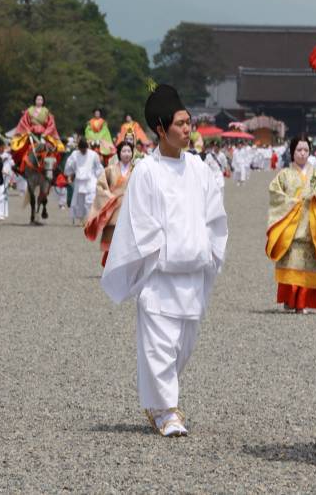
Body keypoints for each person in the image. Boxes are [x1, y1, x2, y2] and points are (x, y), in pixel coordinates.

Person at [100, 84, 228, 437]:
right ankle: (167, 412)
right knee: (158, 346)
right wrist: (169, 250)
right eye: (180, 123)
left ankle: (159, 403)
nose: (188, 130)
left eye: (190, 123)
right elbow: (140, 223)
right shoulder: (146, 172)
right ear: (160, 128)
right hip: (160, 275)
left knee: (181, 348)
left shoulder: (200, 169)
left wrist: (206, 251)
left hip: (194, 274)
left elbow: (215, 216)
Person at [266, 136, 316, 313]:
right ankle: (290, 301)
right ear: (292, 152)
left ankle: (303, 303)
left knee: (307, 267)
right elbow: (275, 194)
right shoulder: (284, 175)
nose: (303, 153)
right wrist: (293, 203)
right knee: (292, 265)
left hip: (311, 230)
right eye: (299, 150)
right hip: (292, 231)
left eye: (306, 150)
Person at [84, 140, 135, 267]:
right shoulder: (110, 170)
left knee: (128, 238)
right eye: (124, 151)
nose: (127, 154)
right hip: (113, 208)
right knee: (112, 239)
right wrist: (109, 197)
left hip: (130, 208)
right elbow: (100, 186)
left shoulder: (137, 170)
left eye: (129, 151)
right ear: (119, 153)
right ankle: (110, 262)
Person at [64, 138, 103, 226]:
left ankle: (90, 219)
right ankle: (81, 220)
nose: (83, 151)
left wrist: (98, 178)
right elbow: (69, 166)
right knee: (79, 202)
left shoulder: (93, 155)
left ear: (87, 147)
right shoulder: (75, 154)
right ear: (79, 148)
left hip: (91, 180)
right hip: (79, 181)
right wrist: (70, 174)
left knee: (90, 200)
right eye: (81, 149)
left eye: (84, 149)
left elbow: (98, 168)